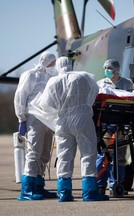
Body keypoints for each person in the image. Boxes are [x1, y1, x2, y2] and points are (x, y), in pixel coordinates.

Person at [37, 57, 109, 202]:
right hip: (82, 117)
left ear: (57, 66)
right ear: (71, 64)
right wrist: (84, 105)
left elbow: (44, 104)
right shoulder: (84, 76)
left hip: (62, 121)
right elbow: (94, 92)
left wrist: (61, 110)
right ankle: (89, 192)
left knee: (64, 156)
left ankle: (64, 193)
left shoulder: (53, 81)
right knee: (88, 154)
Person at [14, 51, 58, 201]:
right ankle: (27, 189)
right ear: (44, 61)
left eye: (54, 63)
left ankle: (39, 185)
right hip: (34, 117)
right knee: (33, 151)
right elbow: (20, 95)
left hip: (48, 118)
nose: (53, 66)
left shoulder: (52, 77)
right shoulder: (30, 75)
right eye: (51, 63)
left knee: (45, 153)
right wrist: (21, 118)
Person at [96, 59, 134, 195]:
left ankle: (117, 183)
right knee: (103, 154)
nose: (106, 70)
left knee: (120, 157)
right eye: (105, 68)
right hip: (106, 126)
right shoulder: (100, 84)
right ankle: (100, 184)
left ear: (116, 69)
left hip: (122, 124)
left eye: (109, 68)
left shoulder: (127, 83)